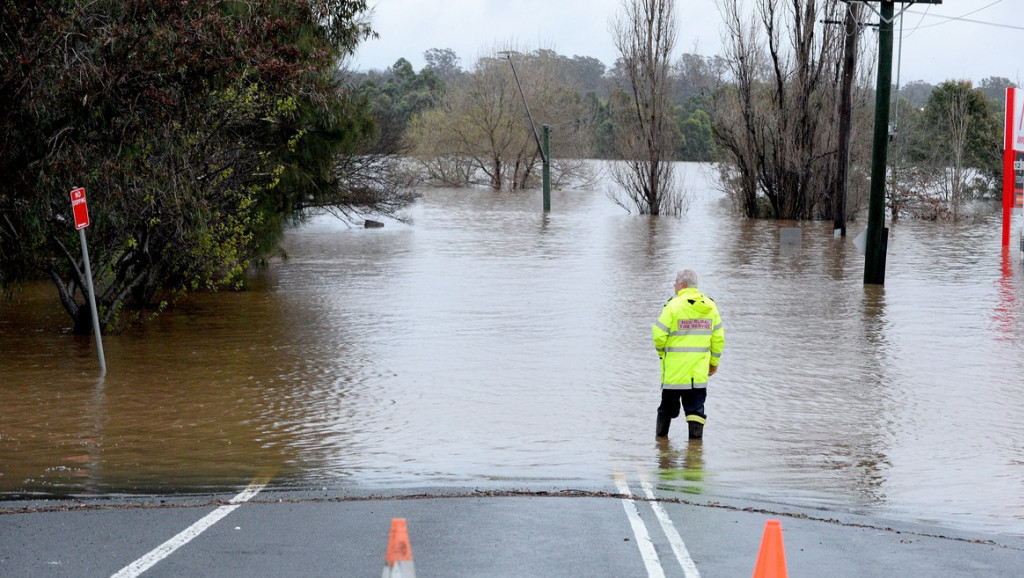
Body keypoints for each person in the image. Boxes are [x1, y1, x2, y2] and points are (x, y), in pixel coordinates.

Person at [652, 269, 725, 439]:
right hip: (697, 374)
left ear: (683, 285)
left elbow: (658, 335)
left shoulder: (673, 305)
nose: (674, 285)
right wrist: (713, 362)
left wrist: (663, 355)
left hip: (674, 373)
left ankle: (661, 451)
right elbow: (718, 339)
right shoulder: (710, 306)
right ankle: (695, 453)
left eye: (676, 282)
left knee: (666, 409)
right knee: (696, 411)